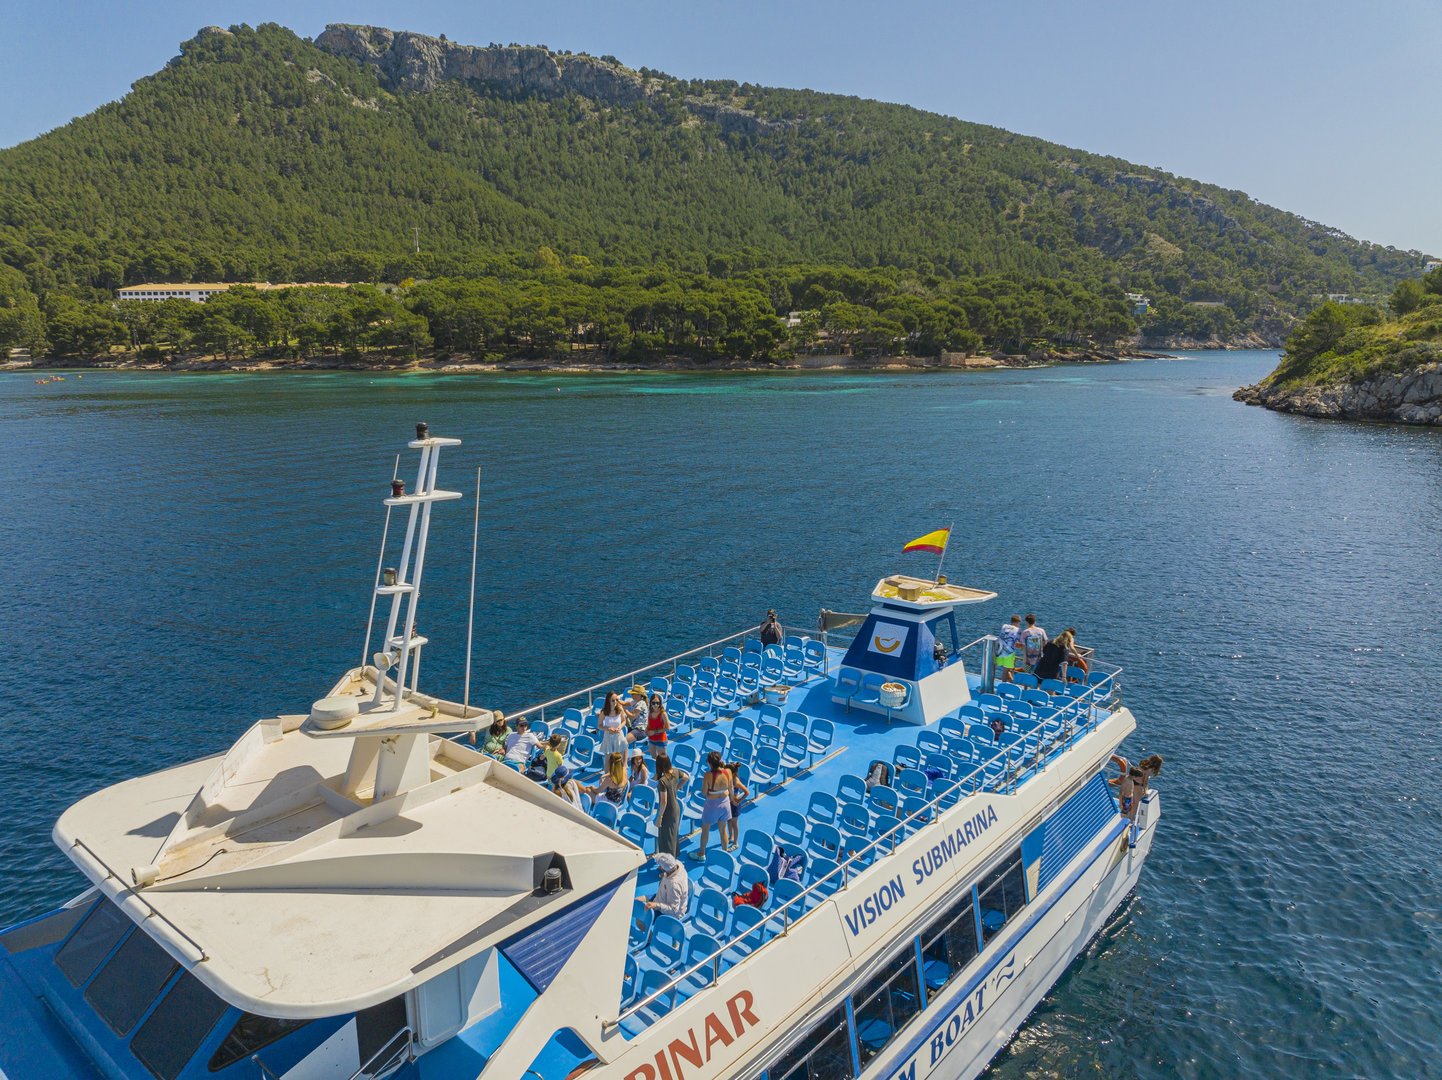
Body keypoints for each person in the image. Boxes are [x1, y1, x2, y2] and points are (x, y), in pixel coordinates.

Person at [688, 751, 733, 860]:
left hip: (712, 805)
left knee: (705, 829)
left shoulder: (708, 775)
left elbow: (704, 792)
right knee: (723, 831)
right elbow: (731, 788)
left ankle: (701, 853)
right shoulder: (728, 772)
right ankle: (725, 853)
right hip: (725, 803)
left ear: (710, 763)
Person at [654, 751, 688, 859]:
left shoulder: (662, 782)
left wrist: (660, 817)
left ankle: (668, 864)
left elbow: (664, 802)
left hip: (668, 811)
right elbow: (686, 777)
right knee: (673, 836)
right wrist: (676, 788)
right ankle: (672, 859)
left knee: (666, 839)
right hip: (676, 808)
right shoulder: (676, 772)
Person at [643, 853, 690, 917]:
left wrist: (656, 905)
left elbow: (674, 910)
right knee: (636, 901)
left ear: (663, 869)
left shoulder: (673, 885)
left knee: (640, 921)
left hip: (668, 912)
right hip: (661, 896)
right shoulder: (678, 864)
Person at [723, 760, 750, 852]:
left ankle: (735, 843)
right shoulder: (728, 779)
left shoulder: (736, 781)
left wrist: (738, 800)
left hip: (734, 805)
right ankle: (731, 837)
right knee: (729, 821)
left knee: (734, 824)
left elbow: (747, 792)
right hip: (728, 803)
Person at [596, 691, 631, 760]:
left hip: (618, 736)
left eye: (616, 700)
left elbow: (624, 721)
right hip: (608, 737)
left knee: (619, 757)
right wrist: (608, 729)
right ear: (608, 701)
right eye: (613, 700)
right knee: (608, 759)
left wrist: (620, 727)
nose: (615, 702)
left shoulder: (620, 709)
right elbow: (599, 726)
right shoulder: (604, 712)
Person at [1110, 754, 1138, 821]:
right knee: (1124, 813)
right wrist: (1120, 803)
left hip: (1129, 799)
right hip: (1126, 799)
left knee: (1128, 812)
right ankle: (1123, 822)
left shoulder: (1130, 780)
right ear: (1133, 775)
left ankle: (1125, 820)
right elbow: (1121, 792)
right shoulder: (1127, 781)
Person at [995, 615, 1022, 683]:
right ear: (1018, 622)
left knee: (1007, 670)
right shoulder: (1017, 630)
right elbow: (1020, 641)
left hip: (999, 651)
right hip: (1009, 653)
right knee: (1005, 671)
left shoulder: (1004, 626)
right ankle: (1003, 686)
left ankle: (1011, 682)